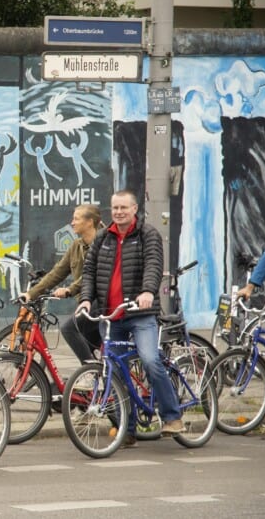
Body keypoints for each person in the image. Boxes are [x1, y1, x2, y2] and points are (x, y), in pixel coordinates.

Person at [77, 189, 184, 447]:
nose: (119, 212)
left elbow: (154, 265)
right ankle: (129, 428)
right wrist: (85, 298)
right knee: (116, 373)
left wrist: (148, 291)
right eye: (115, 208)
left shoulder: (147, 235)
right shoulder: (103, 238)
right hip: (111, 315)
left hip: (139, 314)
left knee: (149, 359)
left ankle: (172, 416)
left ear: (134, 209)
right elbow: (90, 271)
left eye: (124, 208)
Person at [19, 205, 104, 364]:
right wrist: (31, 293)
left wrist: (69, 290)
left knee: (68, 329)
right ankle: (100, 378)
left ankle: (91, 373)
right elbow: (57, 273)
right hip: (83, 303)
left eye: (76, 219)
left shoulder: (104, 244)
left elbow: (92, 275)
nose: (72, 223)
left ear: (90, 222)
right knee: (87, 345)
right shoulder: (76, 246)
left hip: (100, 301)